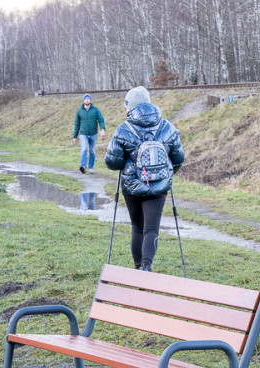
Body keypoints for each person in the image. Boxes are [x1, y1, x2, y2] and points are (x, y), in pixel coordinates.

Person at [104, 86, 184, 272]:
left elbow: (112, 162)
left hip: (132, 186)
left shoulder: (123, 129)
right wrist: (165, 174)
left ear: (130, 106)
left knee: (138, 228)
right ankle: (146, 267)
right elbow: (178, 159)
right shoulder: (167, 127)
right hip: (159, 186)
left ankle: (137, 270)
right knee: (151, 229)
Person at [71, 94, 105, 174]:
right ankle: (83, 166)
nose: (87, 100)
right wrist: (75, 136)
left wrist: (102, 129)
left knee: (92, 151)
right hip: (83, 134)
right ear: (83, 100)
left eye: (88, 99)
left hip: (93, 134)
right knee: (84, 149)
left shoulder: (95, 110)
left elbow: (101, 120)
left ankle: (91, 167)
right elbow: (77, 124)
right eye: (85, 99)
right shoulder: (79, 111)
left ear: (90, 100)